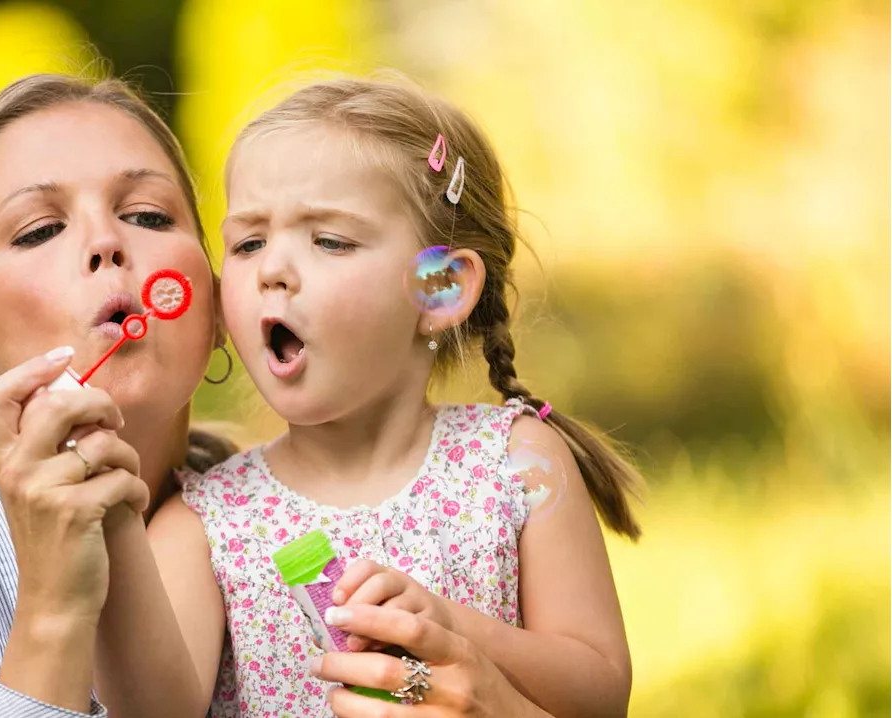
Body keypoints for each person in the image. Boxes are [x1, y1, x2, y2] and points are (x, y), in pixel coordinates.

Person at [0, 71, 547, 718]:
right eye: (39, 229)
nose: (109, 243)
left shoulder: (274, 519)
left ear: (217, 309)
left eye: (147, 216)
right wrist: (50, 610)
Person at [94, 75, 644, 718]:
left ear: (439, 287)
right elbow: (149, 711)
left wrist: (449, 627)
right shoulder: (206, 526)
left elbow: (601, 692)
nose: (272, 270)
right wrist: (108, 523)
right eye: (248, 243)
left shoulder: (516, 464)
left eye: (329, 240)